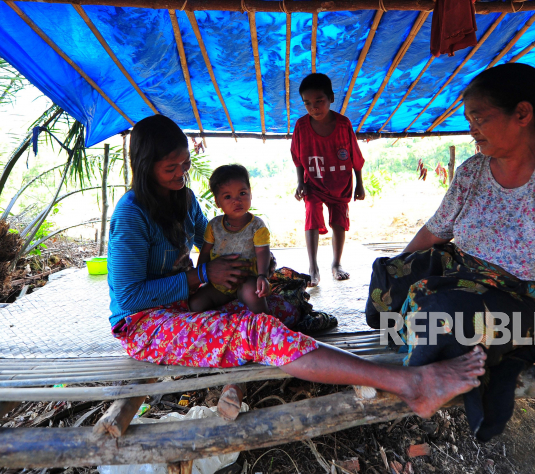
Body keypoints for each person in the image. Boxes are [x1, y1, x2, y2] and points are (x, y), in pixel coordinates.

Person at [108, 114, 487, 419]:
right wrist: (202, 276)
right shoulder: (131, 216)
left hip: (186, 301)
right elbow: (128, 296)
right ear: (145, 166)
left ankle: (284, 328)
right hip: (144, 322)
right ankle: (409, 383)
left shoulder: (183, 198)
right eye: (171, 168)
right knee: (258, 328)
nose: (182, 174)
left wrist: (243, 262)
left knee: (278, 291)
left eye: (185, 164)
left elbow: (209, 241)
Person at [367, 63, 535, 441]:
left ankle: (425, 377)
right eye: (469, 119)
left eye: (479, 118)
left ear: (522, 114)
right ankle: (442, 339)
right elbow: (435, 230)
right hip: (465, 273)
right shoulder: (473, 171)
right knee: (389, 275)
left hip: (526, 296)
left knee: (447, 313)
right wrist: (400, 267)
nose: (472, 129)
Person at [291, 73, 365, 286]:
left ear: (331, 98)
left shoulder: (343, 124)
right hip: (313, 182)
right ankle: (313, 266)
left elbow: (355, 155)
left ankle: (336, 263)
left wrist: (359, 183)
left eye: (319, 101)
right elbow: (297, 157)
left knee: (339, 222)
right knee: (312, 214)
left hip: (340, 182)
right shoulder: (301, 126)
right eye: (307, 103)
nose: (314, 107)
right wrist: (300, 182)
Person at [189, 164, 271, 314]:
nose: (236, 200)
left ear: (251, 194)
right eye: (228, 196)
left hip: (246, 279)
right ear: (218, 203)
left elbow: (262, 252)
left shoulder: (257, 225)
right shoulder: (214, 226)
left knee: (255, 297)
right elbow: (205, 252)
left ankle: (265, 329)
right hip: (219, 284)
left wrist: (262, 276)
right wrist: (200, 277)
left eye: (242, 193)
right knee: (195, 303)